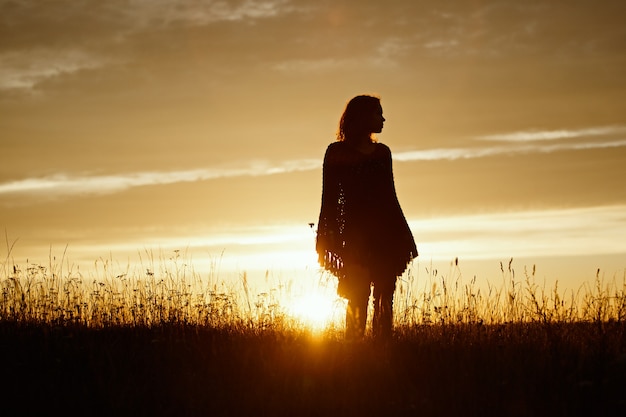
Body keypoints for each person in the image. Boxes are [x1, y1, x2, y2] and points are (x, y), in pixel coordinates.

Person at [315, 94, 417, 340]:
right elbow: (329, 199)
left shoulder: (383, 153)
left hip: (384, 233)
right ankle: (354, 352)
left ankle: (382, 349)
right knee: (358, 294)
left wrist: (402, 235)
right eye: (377, 113)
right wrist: (327, 237)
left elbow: (389, 196)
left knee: (385, 295)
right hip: (353, 236)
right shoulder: (336, 152)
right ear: (362, 117)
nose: (383, 119)